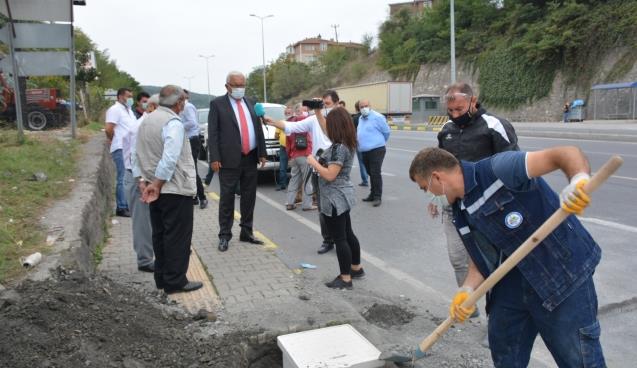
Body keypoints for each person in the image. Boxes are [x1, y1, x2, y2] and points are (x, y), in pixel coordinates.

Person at [409, 146, 605, 367]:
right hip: (512, 283)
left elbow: (566, 154)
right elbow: (483, 254)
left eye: (425, 188)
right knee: (504, 351)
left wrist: (578, 180)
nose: (429, 196)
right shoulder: (460, 210)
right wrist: (467, 290)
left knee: (578, 358)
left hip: (561, 275)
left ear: (437, 177)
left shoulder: (498, 169)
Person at [435, 82, 519, 310]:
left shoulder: (495, 126)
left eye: (459, 110)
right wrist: (436, 197)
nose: (454, 115)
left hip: (489, 209)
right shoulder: (447, 130)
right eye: (450, 111)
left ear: (473, 101)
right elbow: (441, 167)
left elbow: (513, 166)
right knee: (457, 258)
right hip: (455, 206)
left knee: (491, 264)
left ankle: (497, 316)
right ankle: (467, 304)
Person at [133, 85, 202, 294]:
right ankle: (175, 281)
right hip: (174, 189)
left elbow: (137, 153)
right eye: (183, 102)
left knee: (160, 234)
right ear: (179, 102)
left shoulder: (147, 120)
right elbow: (170, 157)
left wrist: (143, 181)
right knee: (177, 237)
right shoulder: (173, 123)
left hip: (154, 188)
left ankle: (162, 277)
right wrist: (158, 183)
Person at [264, 90, 339, 254]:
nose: (322, 108)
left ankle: (341, 238)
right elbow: (292, 126)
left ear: (336, 104)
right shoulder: (312, 120)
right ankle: (328, 239)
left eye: (326, 104)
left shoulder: (340, 119)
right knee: (323, 209)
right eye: (320, 104)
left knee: (338, 208)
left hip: (337, 170)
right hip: (319, 169)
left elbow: (337, 136)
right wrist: (273, 122)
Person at [208, 71, 267, 252]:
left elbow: (258, 128)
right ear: (227, 86)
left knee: (249, 197)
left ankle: (246, 231)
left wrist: (262, 152)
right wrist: (215, 158)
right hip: (228, 160)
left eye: (243, 85)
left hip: (250, 157)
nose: (240, 89)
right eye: (236, 85)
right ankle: (224, 235)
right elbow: (213, 133)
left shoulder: (251, 103)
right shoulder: (218, 104)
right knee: (227, 198)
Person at [306, 106, 364, 290]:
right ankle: (356, 267)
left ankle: (345, 278)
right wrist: (317, 113)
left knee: (340, 238)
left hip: (334, 197)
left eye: (330, 125)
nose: (327, 128)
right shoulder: (347, 142)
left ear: (336, 126)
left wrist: (314, 162)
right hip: (342, 195)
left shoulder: (339, 148)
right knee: (348, 233)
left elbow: (330, 175)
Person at [123, 94, 159, 273]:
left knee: (151, 219)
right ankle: (144, 260)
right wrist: (141, 181)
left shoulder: (149, 125)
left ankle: (156, 253)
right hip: (138, 179)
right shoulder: (141, 127)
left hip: (146, 178)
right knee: (142, 222)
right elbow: (134, 157)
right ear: (152, 108)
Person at [105, 87, 136, 217]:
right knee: (122, 178)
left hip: (130, 148)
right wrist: (114, 140)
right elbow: (109, 129)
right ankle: (121, 207)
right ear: (120, 97)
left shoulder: (129, 110)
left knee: (128, 177)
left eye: (131, 96)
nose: (130, 99)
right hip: (120, 147)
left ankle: (127, 204)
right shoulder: (115, 110)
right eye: (128, 96)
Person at [357, 99, 390, 207]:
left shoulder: (378, 117)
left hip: (377, 149)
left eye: (366, 106)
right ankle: (372, 193)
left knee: (375, 173)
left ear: (370, 106)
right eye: (361, 107)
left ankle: (377, 197)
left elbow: (386, 132)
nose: (364, 108)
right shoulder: (361, 118)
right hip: (364, 151)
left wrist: (378, 142)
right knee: (370, 173)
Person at [284, 103, 314, 211]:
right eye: (304, 110)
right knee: (307, 180)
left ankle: (289, 202)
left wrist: (290, 156)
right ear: (301, 111)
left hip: (294, 155)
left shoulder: (289, 123)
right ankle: (307, 205)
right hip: (305, 154)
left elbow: (287, 142)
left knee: (294, 180)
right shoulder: (306, 120)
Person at [181, 89, 207, 209]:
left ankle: (202, 198)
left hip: (192, 140)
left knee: (192, 169)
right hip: (186, 140)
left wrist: (178, 126)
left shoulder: (187, 107)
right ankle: (194, 196)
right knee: (186, 169)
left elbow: (192, 123)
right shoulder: (182, 108)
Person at [275, 107, 293, 191]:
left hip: (293, 147)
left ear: (292, 112)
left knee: (295, 166)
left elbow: (276, 136)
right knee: (283, 166)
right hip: (284, 147)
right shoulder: (280, 122)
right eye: (286, 113)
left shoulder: (296, 121)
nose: (287, 114)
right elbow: (276, 135)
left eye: (289, 112)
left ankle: (294, 185)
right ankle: (283, 184)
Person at [352, 101, 369, 187]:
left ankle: (365, 180)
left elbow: (352, 131)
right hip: (368, 142)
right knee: (368, 161)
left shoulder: (355, 118)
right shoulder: (368, 116)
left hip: (359, 143)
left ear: (356, 108)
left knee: (361, 162)